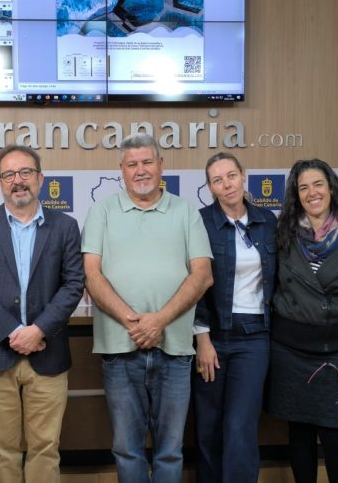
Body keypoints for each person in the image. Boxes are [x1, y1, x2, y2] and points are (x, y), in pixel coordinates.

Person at [81, 133, 213, 483]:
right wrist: (136, 323)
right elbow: (91, 276)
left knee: (171, 450)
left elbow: (202, 276)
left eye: (147, 162)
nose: (140, 171)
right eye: (132, 164)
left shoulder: (186, 212)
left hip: (175, 350)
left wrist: (159, 321)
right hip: (119, 350)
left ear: (160, 165)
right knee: (127, 448)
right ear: (121, 170)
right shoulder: (101, 211)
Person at [0, 145, 85, 482]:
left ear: (40, 178)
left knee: (46, 446)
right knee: (2, 449)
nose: (18, 181)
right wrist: (14, 331)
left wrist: (39, 329)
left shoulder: (65, 226)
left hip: (49, 353)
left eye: (25, 172)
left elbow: (74, 284)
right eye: (9, 174)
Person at [264, 158, 338, 483]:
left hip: (337, 353)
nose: (312, 192)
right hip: (289, 351)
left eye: (318, 184)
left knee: (335, 435)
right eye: (303, 187)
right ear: (295, 195)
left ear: (331, 188)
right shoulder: (281, 235)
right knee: (298, 435)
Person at [191, 152, 276, 482]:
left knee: (241, 427)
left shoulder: (268, 220)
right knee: (209, 426)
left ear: (244, 175)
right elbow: (193, 283)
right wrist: (202, 337)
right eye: (217, 180)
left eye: (231, 176)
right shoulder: (199, 221)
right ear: (210, 187)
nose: (226, 184)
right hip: (212, 337)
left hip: (255, 337)